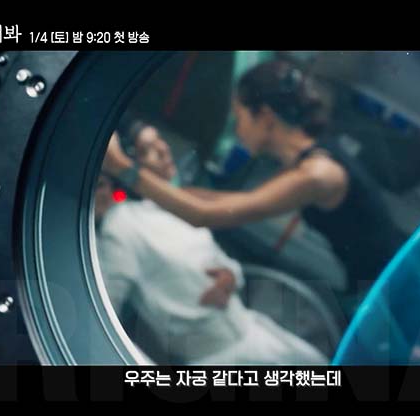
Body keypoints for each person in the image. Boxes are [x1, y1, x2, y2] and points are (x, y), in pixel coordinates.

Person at [105, 59, 405, 294]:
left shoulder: (315, 174)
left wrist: (122, 167)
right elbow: (233, 201)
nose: (236, 130)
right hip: (377, 277)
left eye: (239, 117)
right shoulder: (309, 156)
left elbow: (206, 214)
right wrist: (164, 184)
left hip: (394, 284)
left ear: (265, 117)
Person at [94, 142, 328, 365]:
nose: (164, 151)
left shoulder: (169, 208)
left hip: (257, 335)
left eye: (161, 144)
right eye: (150, 150)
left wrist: (230, 277)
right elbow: (103, 312)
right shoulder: (120, 228)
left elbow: (220, 258)